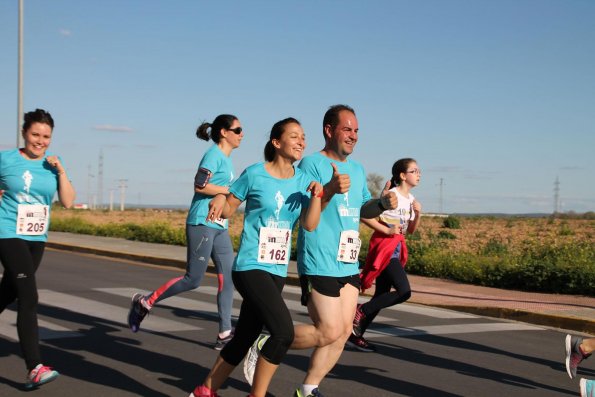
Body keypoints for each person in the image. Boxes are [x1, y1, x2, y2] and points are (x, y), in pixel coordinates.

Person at [243, 105, 397, 397]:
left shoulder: (358, 168)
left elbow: (363, 208)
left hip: (347, 261)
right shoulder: (311, 164)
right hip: (319, 260)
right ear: (329, 130)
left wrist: (382, 205)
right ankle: (266, 343)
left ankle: (308, 389)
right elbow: (306, 210)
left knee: (342, 333)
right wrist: (328, 189)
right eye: (346, 129)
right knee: (326, 330)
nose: (353, 136)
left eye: (356, 131)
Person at [188, 117, 323, 397]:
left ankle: (205, 391)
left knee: (246, 336)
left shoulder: (304, 182)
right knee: (283, 333)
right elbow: (228, 209)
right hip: (250, 266)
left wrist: (318, 197)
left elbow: (309, 225)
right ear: (276, 142)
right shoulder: (254, 173)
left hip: (277, 269)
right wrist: (219, 198)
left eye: (303, 137)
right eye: (295, 136)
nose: (302, 142)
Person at [127, 114, 242, 350]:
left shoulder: (227, 160)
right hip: (202, 222)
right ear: (224, 132)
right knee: (193, 279)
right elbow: (199, 185)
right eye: (238, 130)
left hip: (219, 225)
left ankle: (224, 333)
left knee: (228, 278)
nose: (242, 134)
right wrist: (227, 190)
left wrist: (225, 194)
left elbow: (219, 190)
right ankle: (145, 301)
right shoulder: (213, 155)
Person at [0, 109, 76, 389]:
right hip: (7, 233)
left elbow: (67, 201)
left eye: (46, 136)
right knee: (28, 297)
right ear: (24, 133)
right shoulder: (5, 159)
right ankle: (34, 367)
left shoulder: (52, 165)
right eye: (35, 134)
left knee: (8, 291)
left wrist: (62, 171)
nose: (40, 141)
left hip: (36, 238)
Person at [348, 158, 422, 352]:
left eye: (418, 171)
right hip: (385, 248)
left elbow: (410, 231)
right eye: (414, 171)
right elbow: (364, 215)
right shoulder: (392, 195)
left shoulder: (412, 201)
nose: (418, 174)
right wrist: (387, 230)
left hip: (397, 249)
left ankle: (356, 334)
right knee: (403, 291)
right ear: (402, 175)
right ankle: (361, 310)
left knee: (381, 294)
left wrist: (418, 214)